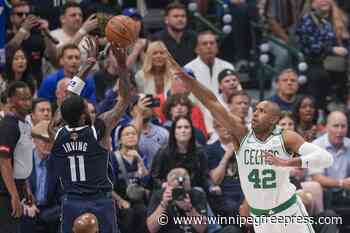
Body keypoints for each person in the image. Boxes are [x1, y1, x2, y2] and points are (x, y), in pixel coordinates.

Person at [173, 64, 334, 233]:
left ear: (273, 120)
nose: (255, 113)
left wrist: (287, 162)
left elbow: (326, 158)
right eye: (256, 110)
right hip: (261, 217)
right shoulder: (243, 136)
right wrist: (191, 83)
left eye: (262, 111)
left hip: (288, 211)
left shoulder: (286, 137)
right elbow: (213, 103)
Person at [50, 40, 131, 233]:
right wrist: (121, 66)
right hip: (99, 201)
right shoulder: (98, 130)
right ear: (83, 115)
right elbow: (125, 99)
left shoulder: (56, 131)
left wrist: (86, 66)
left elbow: (67, 97)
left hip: (71, 202)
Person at [0, 81, 33, 233]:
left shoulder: (24, 124)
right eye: (23, 99)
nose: (28, 102)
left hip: (17, 189)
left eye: (29, 98)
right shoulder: (9, 125)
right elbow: (4, 162)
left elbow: (20, 159)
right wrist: (13, 195)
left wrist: (26, 187)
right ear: (11, 101)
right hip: (4, 194)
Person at [21, 120, 61, 233]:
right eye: (43, 140)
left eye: (50, 141)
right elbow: (16, 190)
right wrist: (25, 204)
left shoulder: (58, 163)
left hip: (50, 212)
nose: (47, 144)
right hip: (27, 210)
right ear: (34, 140)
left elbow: (63, 196)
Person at [151, 116, 211, 192]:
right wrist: (164, 185)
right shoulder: (163, 152)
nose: (183, 130)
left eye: (186, 127)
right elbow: (154, 177)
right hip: (168, 190)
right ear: (173, 131)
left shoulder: (199, 151)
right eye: (179, 127)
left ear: (191, 131)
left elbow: (205, 177)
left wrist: (211, 187)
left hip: (192, 190)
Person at [147, 168, 208, 233]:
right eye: (175, 190)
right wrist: (163, 205)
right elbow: (152, 229)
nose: (179, 193)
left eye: (183, 190)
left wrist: (189, 209)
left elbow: (202, 229)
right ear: (167, 185)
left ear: (189, 185)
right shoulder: (159, 195)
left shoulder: (197, 194)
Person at [152, 1, 197, 66]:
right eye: (176, 16)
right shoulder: (157, 39)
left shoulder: (194, 37)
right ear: (166, 20)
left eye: (183, 16)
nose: (180, 19)